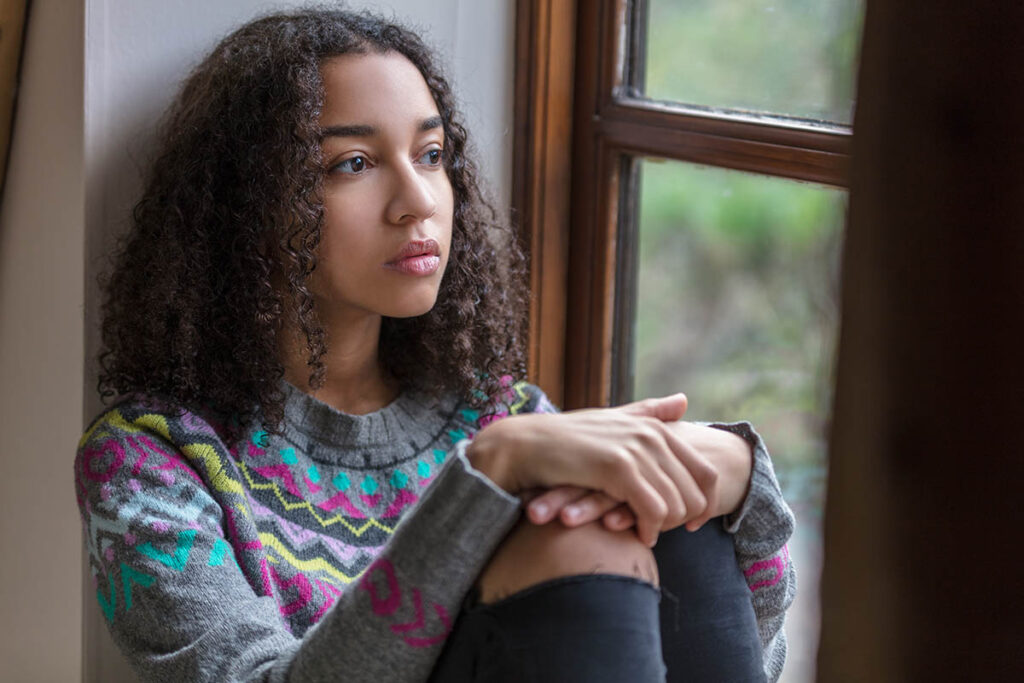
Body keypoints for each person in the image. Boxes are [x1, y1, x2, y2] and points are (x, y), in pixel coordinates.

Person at [74, 8, 795, 683]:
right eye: (352, 163)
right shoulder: (149, 460)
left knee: (654, 506)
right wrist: (486, 471)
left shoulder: (498, 412)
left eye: (430, 153)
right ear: (246, 204)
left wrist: (737, 481)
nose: (418, 199)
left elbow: (712, 654)